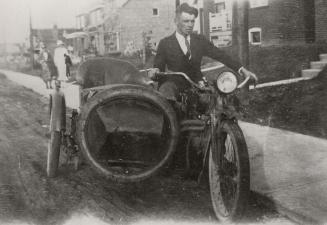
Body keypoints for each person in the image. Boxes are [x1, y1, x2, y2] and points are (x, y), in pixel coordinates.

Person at [148, 3, 257, 101]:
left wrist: (242, 70)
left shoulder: (200, 40)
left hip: (197, 85)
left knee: (216, 104)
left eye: (192, 21)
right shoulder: (165, 43)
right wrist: (155, 72)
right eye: (186, 21)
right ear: (176, 21)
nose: (190, 25)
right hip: (174, 86)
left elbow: (220, 55)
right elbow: (158, 67)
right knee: (166, 99)